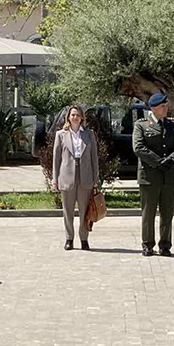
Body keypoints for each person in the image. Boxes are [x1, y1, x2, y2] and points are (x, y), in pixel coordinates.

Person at [132, 92, 174, 256]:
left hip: (168, 175)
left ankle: (165, 245)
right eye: (163, 106)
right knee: (148, 213)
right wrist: (158, 161)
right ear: (153, 108)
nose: (166, 108)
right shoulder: (141, 125)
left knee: (167, 213)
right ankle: (147, 244)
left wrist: (169, 161)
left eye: (166, 105)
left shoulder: (172, 126)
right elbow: (138, 148)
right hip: (150, 176)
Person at [52, 105, 100, 251]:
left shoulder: (88, 134)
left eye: (78, 115)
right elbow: (56, 159)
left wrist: (95, 179)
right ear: (68, 117)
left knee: (84, 211)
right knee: (68, 211)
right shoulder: (61, 134)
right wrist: (55, 180)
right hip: (67, 177)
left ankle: (84, 239)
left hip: (85, 177)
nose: (75, 117)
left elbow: (94, 158)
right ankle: (69, 239)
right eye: (72, 115)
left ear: (82, 118)